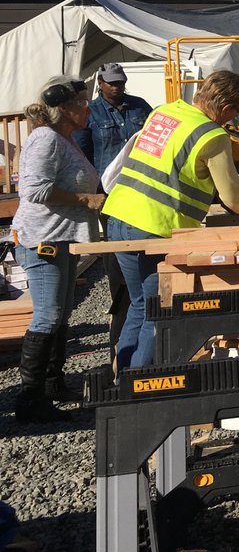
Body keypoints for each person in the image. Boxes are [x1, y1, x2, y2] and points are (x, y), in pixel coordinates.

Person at [103, 71, 239, 370]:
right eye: (237, 111)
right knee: (160, 310)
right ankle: (139, 384)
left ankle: (121, 379)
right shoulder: (212, 136)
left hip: (118, 216)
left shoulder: (164, 112)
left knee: (140, 305)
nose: (236, 118)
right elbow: (233, 197)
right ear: (226, 107)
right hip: (155, 227)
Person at [10, 77, 104, 422]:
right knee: (48, 315)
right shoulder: (46, 139)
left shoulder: (64, 139)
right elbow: (33, 190)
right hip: (42, 240)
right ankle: (29, 400)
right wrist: (85, 199)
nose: (88, 109)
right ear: (62, 107)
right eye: (82, 103)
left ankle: (52, 384)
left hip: (58, 238)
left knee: (61, 315)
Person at [72, 63, 153, 373]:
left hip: (144, 191)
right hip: (111, 195)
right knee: (118, 261)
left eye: (121, 82)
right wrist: (94, 194)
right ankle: (123, 319)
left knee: (145, 254)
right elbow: (83, 154)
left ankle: (139, 303)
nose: (118, 87)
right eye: (112, 82)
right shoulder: (91, 113)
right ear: (101, 84)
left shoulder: (140, 106)